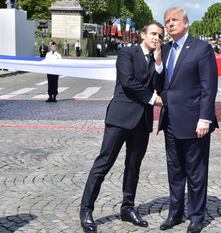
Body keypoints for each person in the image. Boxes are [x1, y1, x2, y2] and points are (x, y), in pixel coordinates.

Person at [79, 21, 164, 233]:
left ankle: (128, 208)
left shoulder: (157, 58)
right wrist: (152, 97)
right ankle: (86, 209)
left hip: (142, 121)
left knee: (133, 167)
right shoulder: (127, 53)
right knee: (103, 164)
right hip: (120, 117)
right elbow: (127, 81)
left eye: (160, 36)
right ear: (143, 35)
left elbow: (161, 85)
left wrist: (159, 63)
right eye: (153, 34)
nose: (157, 38)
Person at [157, 7, 218, 233]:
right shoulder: (164, 50)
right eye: (167, 21)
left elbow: (208, 87)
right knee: (174, 170)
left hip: (195, 122)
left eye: (174, 20)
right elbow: (162, 83)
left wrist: (205, 118)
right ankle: (176, 213)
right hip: (170, 121)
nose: (170, 24)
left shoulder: (202, 49)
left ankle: (196, 216)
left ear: (186, 23)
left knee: (196, 171)